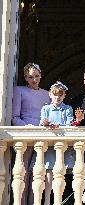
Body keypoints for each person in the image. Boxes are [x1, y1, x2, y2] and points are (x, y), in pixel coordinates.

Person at [12, 63, 50, 205]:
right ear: (25, 78)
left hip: (43, 135)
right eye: (30, 77)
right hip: (26, 134)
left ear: (40, 75)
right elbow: (14, 117)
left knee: (39, 173)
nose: (34, 80)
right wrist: (27, 128)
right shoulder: (19, 90)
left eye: (36, 76)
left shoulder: (47, 94)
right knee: (23, 172)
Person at [40, 81, 74, 205]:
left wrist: (59, 126)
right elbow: (42, 123)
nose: (57, 97)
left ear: (64, 96)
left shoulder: (67, 109)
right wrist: (45, 124)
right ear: (50, 95)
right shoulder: (46, 108)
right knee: (49, 172)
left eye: (60, 95)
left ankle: (58, 200)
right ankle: (48, 200)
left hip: (63, 145)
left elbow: (70, 124)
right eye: (55, 95)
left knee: (61, 173)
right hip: (50, 145)